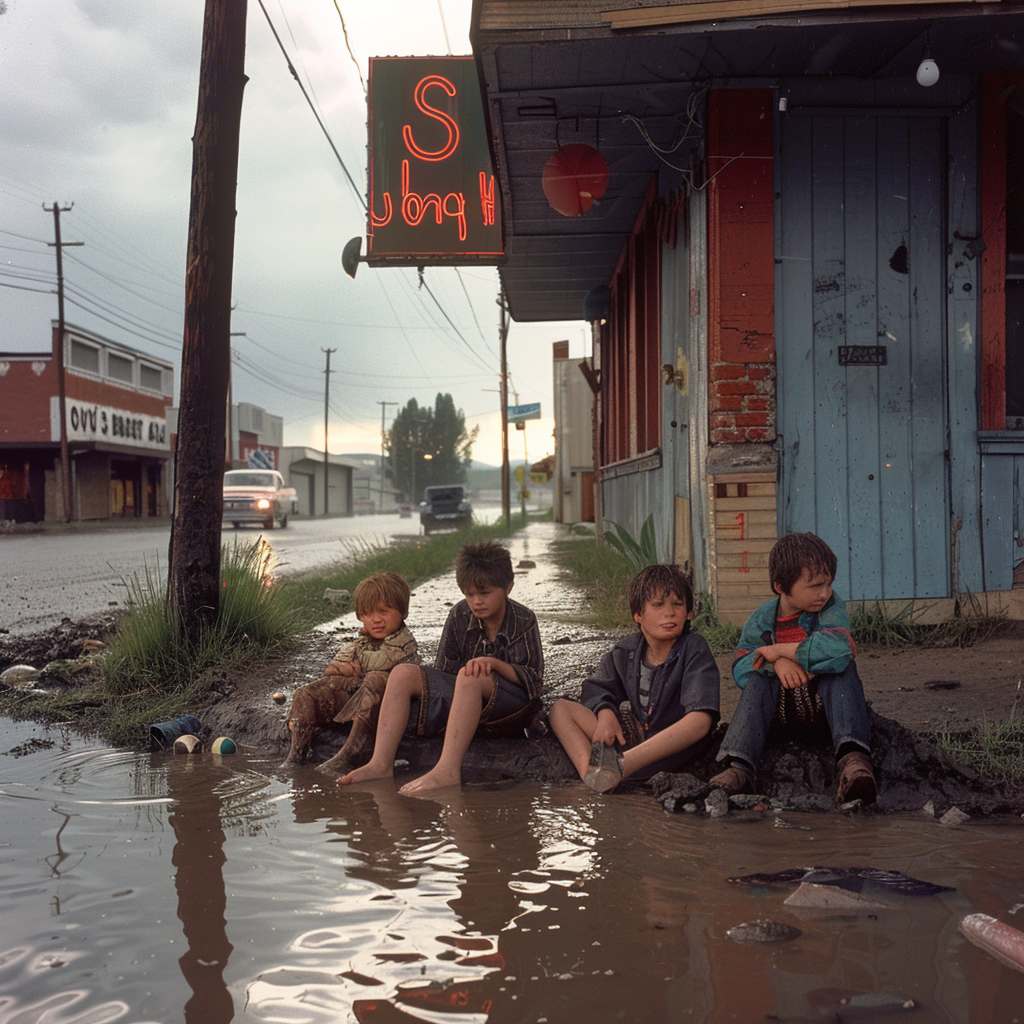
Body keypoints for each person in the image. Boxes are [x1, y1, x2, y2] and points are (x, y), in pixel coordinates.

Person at [339, 541, 543, 794]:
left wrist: (493, 664)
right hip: (465, 698)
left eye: (485, 593)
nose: (476, 602)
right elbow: (443, 674)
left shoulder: (523, 619)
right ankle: (380, 763)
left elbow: (533, 681)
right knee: (403, 673)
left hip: (510, 705)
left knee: (469, 676)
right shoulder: (459, 615)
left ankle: (447, 769)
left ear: (508, 587)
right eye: (470, 594)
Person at [710, 532, 877, 803]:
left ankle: (853, 761)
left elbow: (841, 647)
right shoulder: (761, 619)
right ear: (780, 586)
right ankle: (739, 767)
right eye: (815, 586)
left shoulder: (831, 608)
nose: (825, 593)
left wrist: (781, 651)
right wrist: (777, 665)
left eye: (829, 584)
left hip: (825, 712)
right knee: (757, 680)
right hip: (779, 717)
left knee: (842, 669)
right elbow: (741, 665)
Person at [548, 563, 720, 792]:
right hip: (637, 737)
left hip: (672, 748)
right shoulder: (626, 651)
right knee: (560, 709)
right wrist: (605, 713)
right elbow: (598, 686)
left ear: (688, 612)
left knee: (696, 722)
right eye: (658, 605)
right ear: (638, 615)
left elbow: (700, 723)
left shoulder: (694, 648)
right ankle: (592, 775)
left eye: (677, 604)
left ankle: (618, 771)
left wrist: (626, 762)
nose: (669, 612)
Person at [285, 572, 419, 769]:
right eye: (368, 613)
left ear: (403, 612)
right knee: (305, 693)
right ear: (359, 616)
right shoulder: (361, 641)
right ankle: (298, 751)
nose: (376, 620)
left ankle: (353, 751)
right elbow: (335, 666)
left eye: (383, 611)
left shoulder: (404, 641)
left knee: (375, 677)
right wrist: (345, 668)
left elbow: (382, 663)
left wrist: (355, 667)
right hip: (356, 697)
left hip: (386, 706)